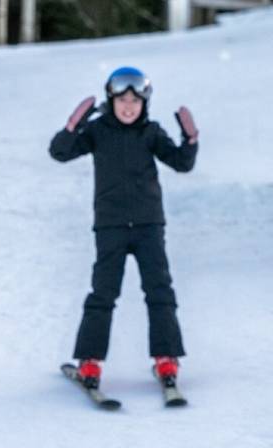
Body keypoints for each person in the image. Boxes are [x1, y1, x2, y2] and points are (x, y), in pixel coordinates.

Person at [49, 66, 199, 389]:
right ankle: (90, 362)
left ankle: (166, 359)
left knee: (159, 291)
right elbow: (59, 153)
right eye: (122, 100)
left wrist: (190, 140)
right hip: (111, 227)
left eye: (135, 100)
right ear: (111, 100)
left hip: (148, 226)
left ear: (145, 103)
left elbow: (182, 163)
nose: (129, 107)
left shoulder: (152, 132)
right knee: (103, 293)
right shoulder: (97, 131)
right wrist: (72, 127)